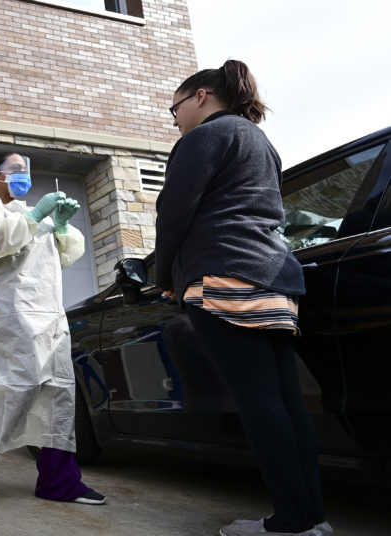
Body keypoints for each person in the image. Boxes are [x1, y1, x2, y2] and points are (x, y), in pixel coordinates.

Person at [155, 60, 331, 536]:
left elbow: (174, 213)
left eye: (174, 107)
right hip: (274, 277)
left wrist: (161, 273)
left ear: (199, 97)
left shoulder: (203, 137)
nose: (173, 118)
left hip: (225, 274)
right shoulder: (261, 142)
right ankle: (311, 519)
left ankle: (291, 523)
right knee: (285, 401)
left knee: (258, 402)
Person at [0, 152, 105, 505]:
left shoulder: (31, 214)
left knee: (59, 394)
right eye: (16, 169)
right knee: (19, 386)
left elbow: (65, 257)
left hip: (49, 315)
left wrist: (61, 226)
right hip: (10, 313)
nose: (24, 175)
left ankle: (59, 482)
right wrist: (36, 216)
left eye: (27, 170)